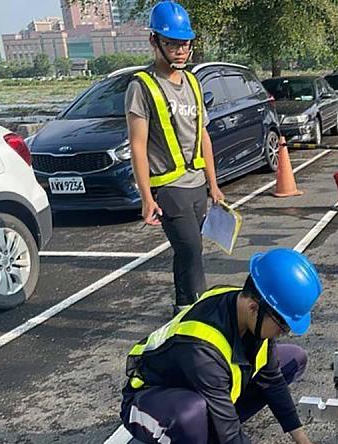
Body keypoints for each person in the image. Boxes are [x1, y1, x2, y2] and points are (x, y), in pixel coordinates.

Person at [120, 248, 337, 444]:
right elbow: (231, 434)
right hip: (149, 402)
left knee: (292, 359)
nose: (283, 332)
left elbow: (271, 379)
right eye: (283, 324)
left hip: (202, 389)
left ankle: (204, 439)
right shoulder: (202, 349)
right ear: (254, 308)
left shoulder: (249, 309)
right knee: (191, 412)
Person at [126, 1, 225, 314]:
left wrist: (214, 185)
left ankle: (182, 311)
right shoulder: (142, 87)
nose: (181, 50)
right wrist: (146, 197)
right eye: (172, 43)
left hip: (196, 185)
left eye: (185, 43)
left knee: (188, 253)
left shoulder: (193, 83)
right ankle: (198, 315)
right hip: (169, 188)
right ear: (155, 41)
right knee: (191, 250)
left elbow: (203, 136)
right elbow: (138, 146)